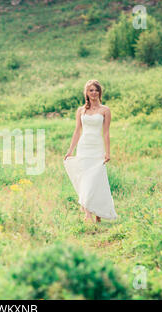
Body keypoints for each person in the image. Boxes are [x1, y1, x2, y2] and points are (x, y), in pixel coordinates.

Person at [63, 79, 118, 223]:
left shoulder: (105, 110)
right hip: (84, 147)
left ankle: (98, 213)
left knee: (97, 180)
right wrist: (70, 150)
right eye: (91, 90)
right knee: (85, 179)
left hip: (97, 148)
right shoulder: (81, 110)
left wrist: (107, 152)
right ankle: (88, 213)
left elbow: (106, 133)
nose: (94, 93)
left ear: (100, 92)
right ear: (86, 93)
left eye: (96, 90)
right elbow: (77, 132)